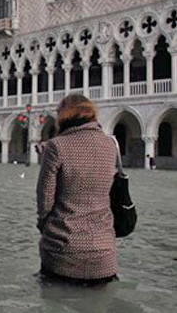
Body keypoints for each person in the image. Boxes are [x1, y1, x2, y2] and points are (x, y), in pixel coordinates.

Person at [36, 94, 119, 286]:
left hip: (63, 251)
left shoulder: (56, 146)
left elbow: (45, 200)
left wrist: (44, 226)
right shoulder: (110, 145)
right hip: (104, 255)